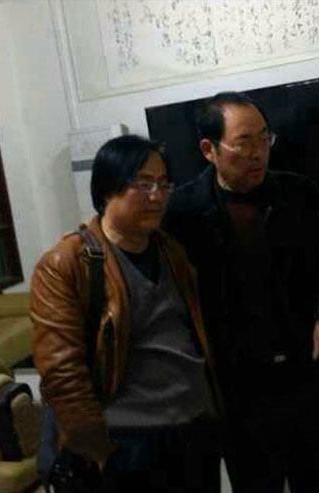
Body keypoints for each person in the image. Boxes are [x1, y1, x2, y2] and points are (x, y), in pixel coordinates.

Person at [164, 92, 319, 493]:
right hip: (238, 388)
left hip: (306, 372)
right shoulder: (180, 214)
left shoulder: (300, 195)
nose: (258, 153)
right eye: (244, 142)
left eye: (265, 139)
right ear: (209, 150)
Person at [30, 135, 221, 493]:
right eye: (143, 183)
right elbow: (60, 370)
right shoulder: (66, 264)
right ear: (107, 190)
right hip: (127, 441)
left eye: (163, 184)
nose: (157, 196)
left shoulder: (172, 251)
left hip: (193, 428)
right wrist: (96, 448)